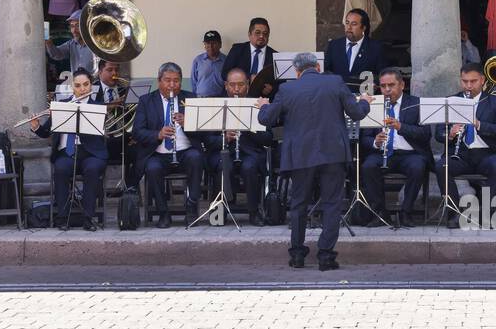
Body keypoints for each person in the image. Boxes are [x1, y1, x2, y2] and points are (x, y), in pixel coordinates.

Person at [258, 53, 371, 271]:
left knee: (299, 204)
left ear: (297, 71)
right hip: (333, 153)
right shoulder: (335, 82)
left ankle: (297, 255)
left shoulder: (287, 89)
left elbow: (266, 119)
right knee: (332, 204)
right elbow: (356, 112)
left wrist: (263, 105)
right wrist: (365, 102)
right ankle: (326, 256)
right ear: (318, 67)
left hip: (300, 155)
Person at [434, 63, 496, 224]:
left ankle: (487, 214)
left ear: (482, 80)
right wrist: (449, 134)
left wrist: (478, 124)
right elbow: (438, 134)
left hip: (486, 153)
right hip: (461, 154)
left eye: (473, 81)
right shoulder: (451, 101)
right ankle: (454, 213)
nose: (468, 86)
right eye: (465, 81)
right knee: (442, 166)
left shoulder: (494, 102)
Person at [31, 68, 109, 230]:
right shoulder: (62, 105)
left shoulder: (98, 106)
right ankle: (62, 217)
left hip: (91, 153)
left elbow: (101, 132)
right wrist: (36, 126)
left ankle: (89, 218)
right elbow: (45, 132)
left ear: (91, 86)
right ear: (72, 87)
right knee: (60, 169)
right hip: (67, 153)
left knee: (92, 170)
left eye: (86, 85)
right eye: (78, 86)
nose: (82, 89)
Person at [131, 62, 204, 227]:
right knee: (152, 168)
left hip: (185, 151)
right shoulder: (146, 101)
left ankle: (191, 207)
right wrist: (158, 134)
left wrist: (189, 123)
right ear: (159, 81)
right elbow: (137, 132)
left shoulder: (191, 98)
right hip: (158, 153)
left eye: (176, 81)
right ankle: (163, 213)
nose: (172, 85)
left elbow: (204, 132)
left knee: (196, 157)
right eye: (167, 80)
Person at [199, 67, 275, 224]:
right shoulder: (215, 104)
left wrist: (250, 127)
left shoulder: (258, 103)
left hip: (250, 154)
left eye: (240, 85)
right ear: (226, 85)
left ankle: (254, 212)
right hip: (223, 153)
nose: (236, 89)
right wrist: (225, 138)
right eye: (232, 85)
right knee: (223, 166)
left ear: (247, 84)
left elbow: (268, 139)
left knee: (250, 168)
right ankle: (219, 214)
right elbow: (207, 141)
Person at [359, 67, 430, 227]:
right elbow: (364, 138)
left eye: (391, 85)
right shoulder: (374, 104)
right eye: (383, 86)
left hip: (410, 154)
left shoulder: (415, 103)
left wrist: (400, 127)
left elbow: (426, 134)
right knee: (368, 166)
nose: (387, 90)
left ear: (402, 85)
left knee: (418, 166)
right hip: (382, 153)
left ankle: (406, 212)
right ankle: (380, 213)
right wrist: (374, 142)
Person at [323, 9, 386, 90]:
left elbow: (383, 74)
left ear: (363, 28)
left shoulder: (375, 47)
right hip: (338, 96)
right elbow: (327, 71)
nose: (349, 27)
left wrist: (375, 83)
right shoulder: (334, 45)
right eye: (347, 23)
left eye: (354, 24)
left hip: (365, 97)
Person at [222, 18, 278, 97]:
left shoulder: (274, 55)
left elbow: (281, 83)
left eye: (265, 33)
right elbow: (225, 73)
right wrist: (249, 77)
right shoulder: (237, 50)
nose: (261, 36)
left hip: (264, 100)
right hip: (237, 97)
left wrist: (272, 89)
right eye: (257, 33)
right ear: (249, 34)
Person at [46, 11, 95, 75]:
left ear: (86, 26)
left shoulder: (96, 45)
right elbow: (56, 55)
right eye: (72, 26)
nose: (74, 30)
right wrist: (49, 43)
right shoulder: (71, 44)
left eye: (77, 26)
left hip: (94, 83)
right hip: (76, 83)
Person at [190, 30, 226, 98]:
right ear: (204, 45)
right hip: (201, 99)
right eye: (207, 43)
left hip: (220, 99)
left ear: (220, 44)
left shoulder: (226, 61)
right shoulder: (198, 60)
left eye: (214, 43)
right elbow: (193, 81)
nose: (210, 46)